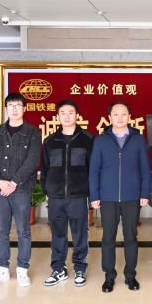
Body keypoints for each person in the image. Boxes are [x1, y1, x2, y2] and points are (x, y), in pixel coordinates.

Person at [89, 101, 150, 293]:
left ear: (129, 117)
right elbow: (94, 170)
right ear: (109, 118)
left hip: (132, 196)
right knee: (108, 237)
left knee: (131, 236)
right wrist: (95, 195)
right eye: (116, 114)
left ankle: (130, 276)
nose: (120, 117)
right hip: (107, 197)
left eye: (124, 114)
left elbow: (145, 169)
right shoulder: (101, 140)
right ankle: (109, 277)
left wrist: (144, 193)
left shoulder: (138, 139)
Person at [0, 92, 41, 288]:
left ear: (24, 109)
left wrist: (14, 182)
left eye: (18, 106)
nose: (14, 109)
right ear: (6, 109)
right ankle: (2, 270)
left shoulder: (32, 132)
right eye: (11, 106)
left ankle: (22, 269)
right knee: (1, 231)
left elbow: (33, 160)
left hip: (21, 189)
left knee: (23, 230)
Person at [41, 99, 93, 287]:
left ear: (77, 115)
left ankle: (80, 267)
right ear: (57, 116)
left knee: (80, 234)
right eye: (62, 113)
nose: (66, 116)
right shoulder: (49, 141)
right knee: (58, 234)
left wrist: (91, 193)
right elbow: (45, 169)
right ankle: (58, 268)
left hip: (78, 196)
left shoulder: (88, 139)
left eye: (70, 112)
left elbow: (92, 169)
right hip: (56, 197)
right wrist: (47, 189)